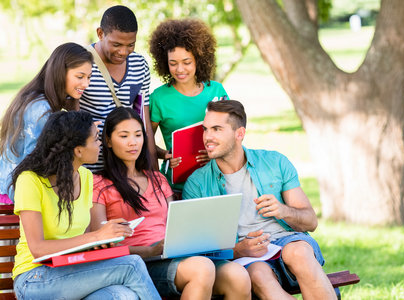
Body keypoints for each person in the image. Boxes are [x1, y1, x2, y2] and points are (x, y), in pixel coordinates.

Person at [91, 107, 250, 299]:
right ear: (108, 140)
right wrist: (150, 250)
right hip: (138, 264)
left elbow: (176, 223)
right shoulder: (99, 184)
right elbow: (100, 244)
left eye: (138, 135)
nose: (133, 142)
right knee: (202, 268)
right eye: (124, 136)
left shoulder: (158, 179)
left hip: (174, 256)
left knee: (238, 276)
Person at [183, 100, 337, 300]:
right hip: (247, 255)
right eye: (205, 130)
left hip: (287, 241)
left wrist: (283, 210)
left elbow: (311, 222)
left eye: (217, 129)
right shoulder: (197, 184)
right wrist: (238, 250)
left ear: (239, 134)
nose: (207, 137)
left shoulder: (274, 162)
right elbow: (197, 247)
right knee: (257, 274)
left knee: (300, 252)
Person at [11, 110, 160, 300]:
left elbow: (85, 238)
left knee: (121, 296)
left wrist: (104, 238)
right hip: (34, 278)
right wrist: (96, 236)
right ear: (78, 150)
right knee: (132, 265)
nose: (100, 144)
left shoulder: (86, 177)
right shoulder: (30, 181)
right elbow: (37, 248)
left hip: (71, 270)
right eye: (96, 139)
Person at [0, 42, 92, 204]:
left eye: (88, 77)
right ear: (60, 72)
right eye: (80, 76)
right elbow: (36, 164)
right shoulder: (40, 109)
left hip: (9, 194)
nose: (86, 84)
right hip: (13, 200)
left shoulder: (38, 98)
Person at [149, 18, 228, 192]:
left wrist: (216, 152)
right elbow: (146, 141)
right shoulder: (159, 98)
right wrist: (165, 155)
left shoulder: (216, 91)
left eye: (187, 62)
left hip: (216, 180)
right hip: (178, 185)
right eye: (173, 63)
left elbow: (231, 133)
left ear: (199, 59)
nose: (180, 69)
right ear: (164, 61)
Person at [80, 5, 157, 171]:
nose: (123, 52)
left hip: (127, 168)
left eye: (130, 45)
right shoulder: (81, 64)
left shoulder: (139, 65)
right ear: (100, 33)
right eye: (116, 44)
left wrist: (152, 169)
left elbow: (143, 120)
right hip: (91, 169)